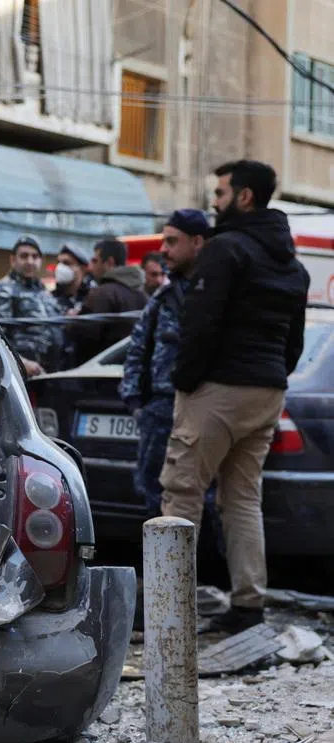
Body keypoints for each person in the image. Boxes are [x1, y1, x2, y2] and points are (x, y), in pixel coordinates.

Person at [160, 160, 310, 634]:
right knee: (243, 500)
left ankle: (170, 608)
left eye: (221, 192)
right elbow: (294, 342)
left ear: (245, 197)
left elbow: (200, 324)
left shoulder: (226, 250)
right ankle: (249, 604)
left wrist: (186, 382)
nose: (215, 201)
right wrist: (271, 376)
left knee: (181, 494)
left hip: (218, 390)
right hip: (266, 390)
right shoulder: (291, 262)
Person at [120, 211, 217, 520]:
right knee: (152, 491)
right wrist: (136, 402)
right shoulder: (164, 296)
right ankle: (164, 566)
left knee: (206, 498)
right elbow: (138, 347)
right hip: (159, 410)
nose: (164, 250)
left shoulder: (217, 291)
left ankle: (202, 567)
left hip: (204, 408)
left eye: (172, 242)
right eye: (164, 241)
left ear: (198, 242)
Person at [0, 236, 62, 376]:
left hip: (49, 373)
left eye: (35, 256)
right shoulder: (2, 290)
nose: (30, 261)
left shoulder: (44, 292)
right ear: (13, 260)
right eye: (24, 256)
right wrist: (21, 362)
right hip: (21, 373)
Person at [68, 238, 147, 364]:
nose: (91, 266)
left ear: (109, 262)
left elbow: (86, 338)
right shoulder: (142, 295)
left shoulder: (102, 294)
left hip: (100, 373)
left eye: (95, 260)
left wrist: (72, 322)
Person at [53, 244, 95, 313]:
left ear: (83, 268)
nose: (60, 267)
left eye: (66, 263)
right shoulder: (50, 298)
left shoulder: (93, 298)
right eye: (58, 262)